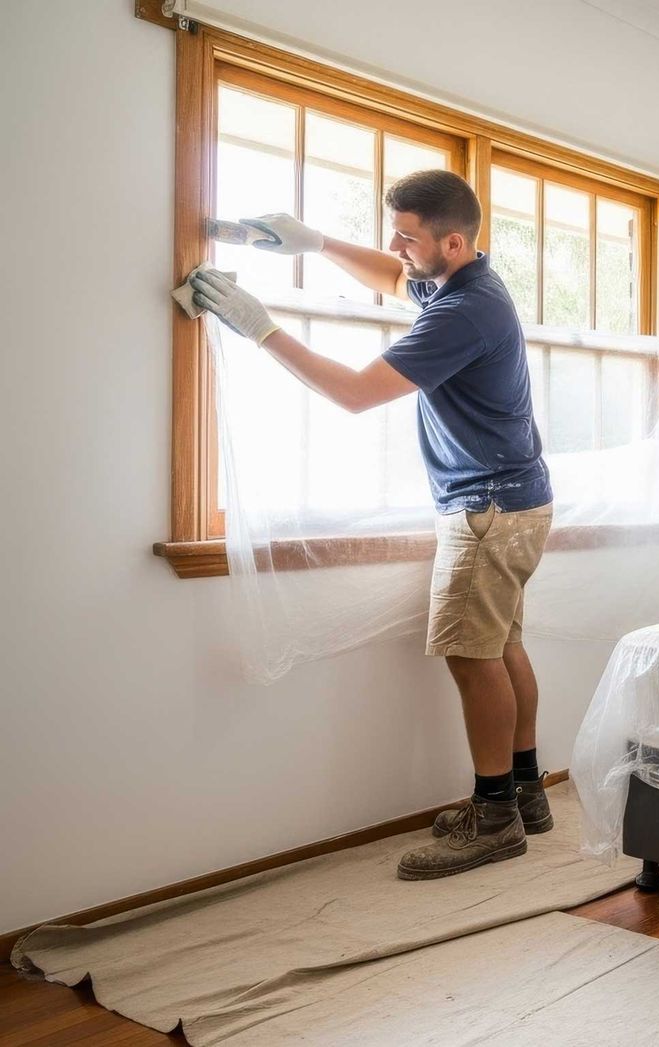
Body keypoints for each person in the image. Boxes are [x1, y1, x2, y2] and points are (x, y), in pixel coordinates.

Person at [190, 170, 555, 880]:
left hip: (489, 507)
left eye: (408, 236)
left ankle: (494, 819)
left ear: (451, 241)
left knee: (472, 654)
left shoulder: (463, 311)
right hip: (513, 498)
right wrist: (315, 241)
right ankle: (525, 793)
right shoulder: (462, 277)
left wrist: (259, 326)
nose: (397, 247)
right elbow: (394, 276)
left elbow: (356, 393)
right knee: (502, 645)